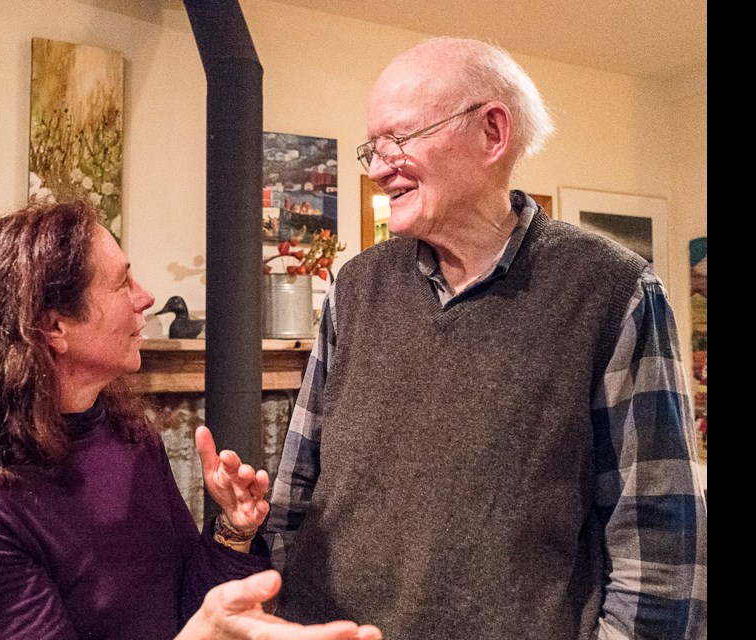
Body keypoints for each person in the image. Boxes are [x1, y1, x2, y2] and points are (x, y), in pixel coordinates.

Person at [263, 36, 707, 639]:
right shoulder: (355, 286)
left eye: (397, 139)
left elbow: (660, 551)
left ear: (492, 133)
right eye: (373, 146)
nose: (375, 166)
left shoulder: (615, 291)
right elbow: (296, 487)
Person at [0, 198, 382, 640]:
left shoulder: (125, 433)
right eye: (122, 281)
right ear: (55, 326)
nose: (145, 296)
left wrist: (233, 529)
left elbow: (187, 603)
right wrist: (207, 633)